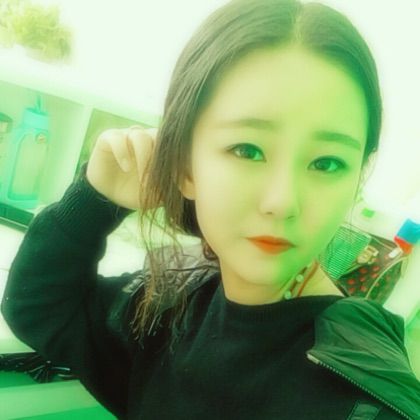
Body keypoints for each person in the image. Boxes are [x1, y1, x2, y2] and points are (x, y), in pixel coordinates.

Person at [1, 0, 420, 418]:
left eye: (327, 163)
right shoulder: (177, 300)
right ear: (185, 166)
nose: (281, 202)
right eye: (247, 150)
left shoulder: (362, 401)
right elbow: (40, 309)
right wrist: (96, 198)